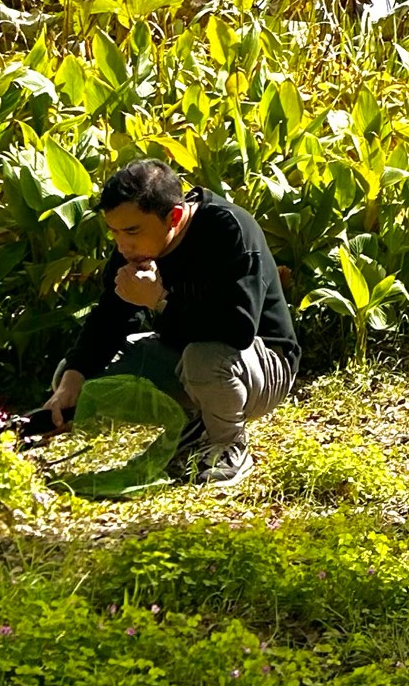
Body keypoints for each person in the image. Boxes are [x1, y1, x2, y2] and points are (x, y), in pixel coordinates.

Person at [39, 159, 299, 488]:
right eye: (115, 232)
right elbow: (109, 318)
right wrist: (72, 381)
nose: (122, 244)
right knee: (73, 372)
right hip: (184, 358)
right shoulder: (134, 246)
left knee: (204, 359)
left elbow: (238, 328)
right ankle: (193, 425)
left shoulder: (228, 229)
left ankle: (229, 445)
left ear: (174, 217)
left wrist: (160, 301)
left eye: (131, 231)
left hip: (260, 366)